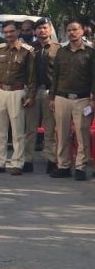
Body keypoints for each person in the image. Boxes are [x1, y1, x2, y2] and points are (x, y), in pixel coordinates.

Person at [0, 22, 36, 175]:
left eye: (11, 31)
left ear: (18, 31)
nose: (8, 35)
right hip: (0, 91)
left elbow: (32, 77)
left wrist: (31, 96)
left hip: (17, 92)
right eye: (6, 32)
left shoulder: (27, 51)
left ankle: (17, 163)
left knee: (17, 130)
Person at [49, 19, 95, 180]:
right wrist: (52, 97)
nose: (72, 33)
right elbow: (55, 75)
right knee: (61, 134)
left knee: (82, 134)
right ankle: (63, 166)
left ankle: (81, 167)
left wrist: (93, 99)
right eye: (69, 30)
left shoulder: (90, 52)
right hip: (61, 97)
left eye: (75, 29)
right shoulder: (61, 51)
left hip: (82, 99)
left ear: (82, 31)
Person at [27, 19, 61, 173]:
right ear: (35, 31)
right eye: (39, 28)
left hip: (50, 92)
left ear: (50, 30)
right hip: (32, 92)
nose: (42, 30)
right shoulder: (29, 48)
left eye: (45, 27)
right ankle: (27, 159)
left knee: (50, 129)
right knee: (30, 129)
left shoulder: (58, 49)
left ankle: (51, 160)